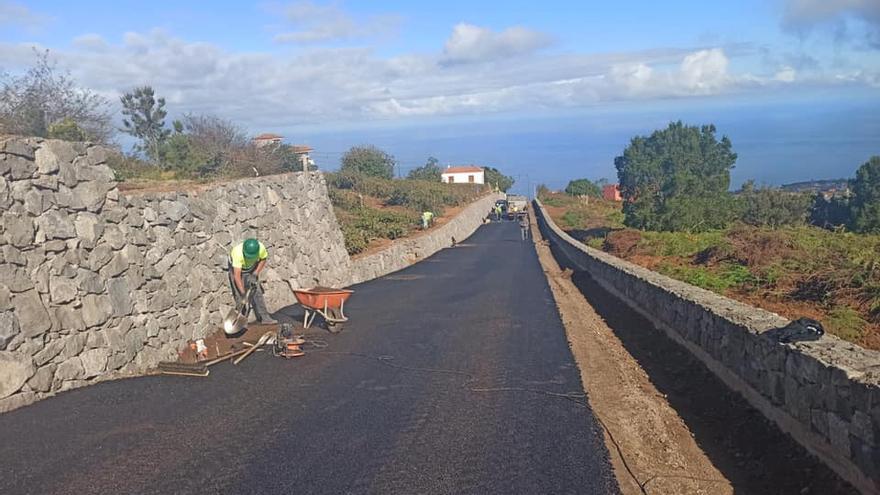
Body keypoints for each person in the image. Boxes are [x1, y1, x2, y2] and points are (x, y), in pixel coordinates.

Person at [228, 237, 276, 325]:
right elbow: (237, 276)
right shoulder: (237, 253)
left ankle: (265, 318)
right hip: (238, 270)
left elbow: (263, 259)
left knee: (257, 292)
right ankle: (241, 322)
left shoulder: (260, 248)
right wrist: (243, 293)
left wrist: (256, 273)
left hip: (251, 269)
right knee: (239, 297)